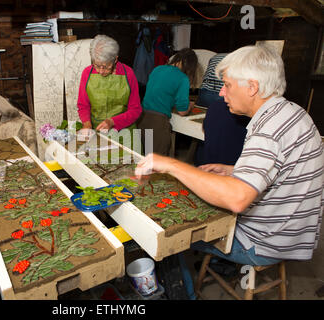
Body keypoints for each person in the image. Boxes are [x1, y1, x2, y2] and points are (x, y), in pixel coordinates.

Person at [135, 45, 323, 266]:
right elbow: (283, 169)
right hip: (292, 235)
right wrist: (233, 170)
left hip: (262, 242)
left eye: (227, 85)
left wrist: (172, 165)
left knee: (164, 234)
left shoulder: (268, 130)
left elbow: (237, 200)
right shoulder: (291, 112)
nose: (221, 93)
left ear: (252, 87)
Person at [137, 48, 198, 156]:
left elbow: (159, 92)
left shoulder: (157, 69)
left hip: (141, 118)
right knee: (157, 163)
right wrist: (190, 105)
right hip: (158, 123)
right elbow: (182, 111)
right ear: (190, 66)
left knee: (142, 157)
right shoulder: (183, 78)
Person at [77, 34, 142, 132]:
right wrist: (87, 124)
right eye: (96, 65)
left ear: (115, 59)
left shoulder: (128, 73)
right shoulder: (87, 73)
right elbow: (83, 105)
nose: (101, 71)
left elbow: (136, 110)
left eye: (106, 67)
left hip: (125, 130)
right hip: (97, 129)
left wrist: (112, 122)